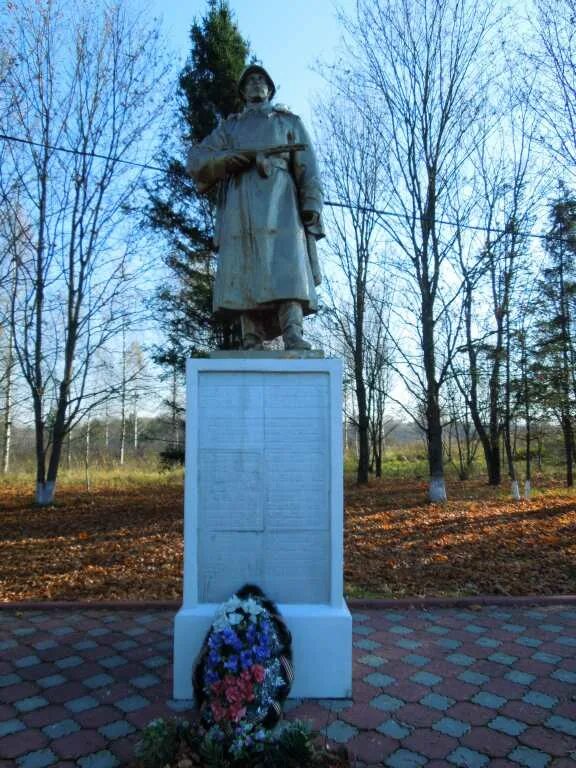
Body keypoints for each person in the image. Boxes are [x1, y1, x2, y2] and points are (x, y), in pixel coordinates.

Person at [186, 65, 324, 350]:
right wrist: (228, 160)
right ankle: (251, 335)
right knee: (245, 265)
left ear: (270, 88)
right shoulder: (231, 127)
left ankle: (293, 331)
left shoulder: (289, 122)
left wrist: (311, 204)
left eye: (261, 80)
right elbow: (197, 159)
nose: (255, 84)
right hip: (241, 201)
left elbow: (308, 168)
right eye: (249, 81)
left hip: (283, 201)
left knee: (288, 264)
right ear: (242, 91)